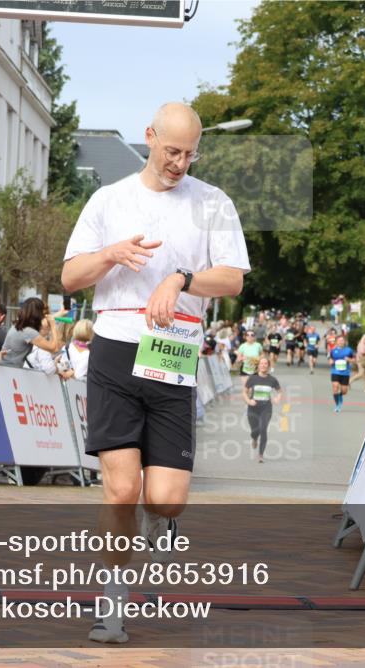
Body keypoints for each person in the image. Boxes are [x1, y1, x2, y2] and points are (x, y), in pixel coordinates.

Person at [61, 102, 249, 644]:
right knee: (121, 490)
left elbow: (233, 279)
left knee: (166, 497)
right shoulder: (109, 199)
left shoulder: (212, 202)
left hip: (173, 353)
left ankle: (159, 517)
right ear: (149, 137)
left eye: (190, 154)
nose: (179, 163)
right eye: (171, 151)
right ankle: (112, 606)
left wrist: (182, 279)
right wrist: (111, 254)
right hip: (116, 348)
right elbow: (71, 276)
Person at [2, 297, 63, 367]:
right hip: (10, 369)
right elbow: (54, 349)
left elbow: (44, 322)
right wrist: (53, 326)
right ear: (38, 314)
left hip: (4, 366)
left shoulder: (19, 326)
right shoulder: (29, 332)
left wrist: (61, 312)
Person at [243, 356, 282, 464]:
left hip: (266, 408)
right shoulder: (252, 378)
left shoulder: (272, 380)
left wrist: (277, 398)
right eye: (261, 363)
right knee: (254, 431)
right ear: (258, 366)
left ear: (268, 366)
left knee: (263, 429)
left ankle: (260, 455)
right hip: (253, 408)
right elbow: (244, 392)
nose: (263, 365)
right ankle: (254, 438)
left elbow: (280, 391)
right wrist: (248, 401)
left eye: (265, 364)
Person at [329, 333, 355, 413]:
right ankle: (337, 405)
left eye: (342, 340)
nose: (341, 342)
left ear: (344, 342)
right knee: (335, 386)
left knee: (344, 391)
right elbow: (330, 359)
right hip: (335, 372)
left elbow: (354, 360)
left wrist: (349, 360)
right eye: (339, 341)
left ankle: (340, 395)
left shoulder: (349, 350)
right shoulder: (333, 350)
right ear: (336, 342)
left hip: (345, 373)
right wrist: (331, 361)